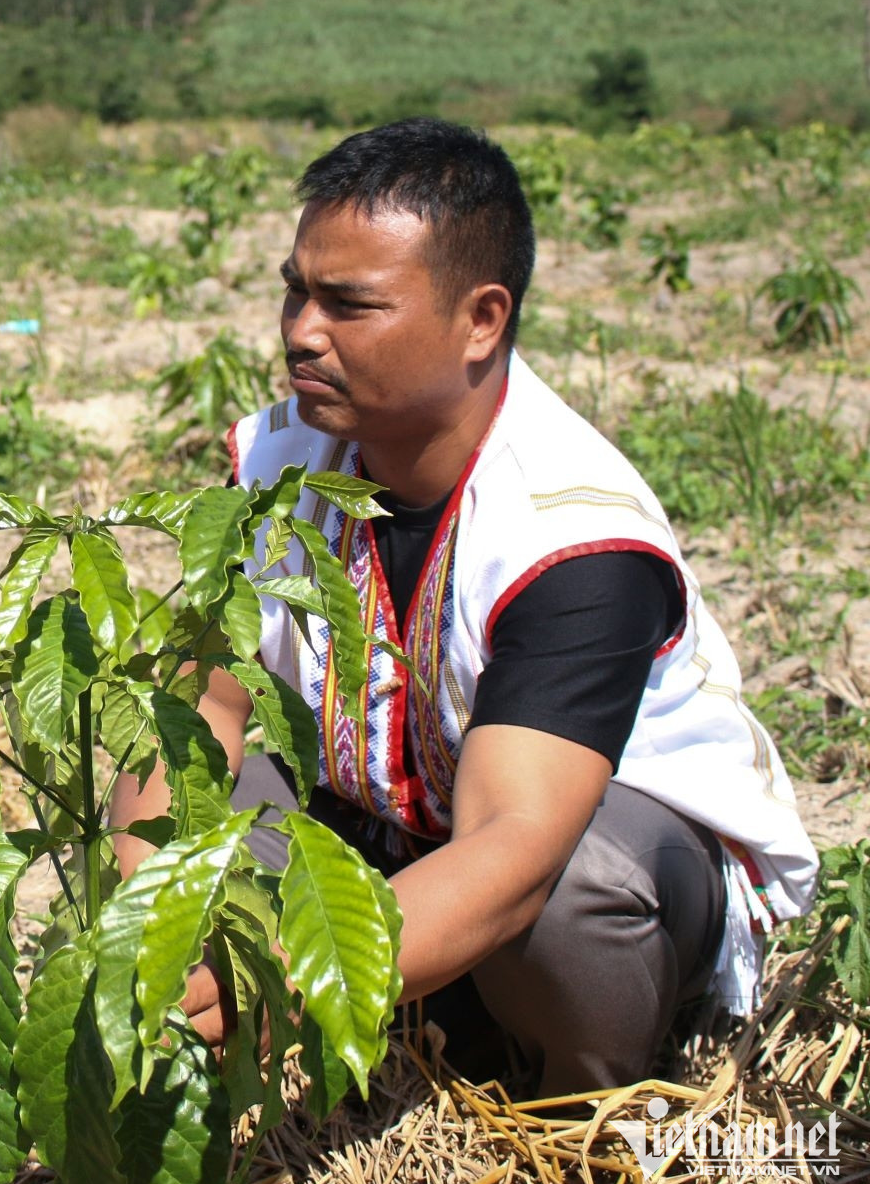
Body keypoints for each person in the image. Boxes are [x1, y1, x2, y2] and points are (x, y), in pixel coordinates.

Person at [114, 119, 818, 1095]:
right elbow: (201, 711)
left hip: (587, 857)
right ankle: (403, 1017)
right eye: (295, 289)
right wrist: (151, 926)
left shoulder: (569, 538)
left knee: (573, 894)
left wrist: (288, 973)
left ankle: (569, 1103)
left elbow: (513, 848)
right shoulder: (280, 464)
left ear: (481, 319)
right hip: (400, 823)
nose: (300, 332)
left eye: (349, 304)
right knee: (192, 798)